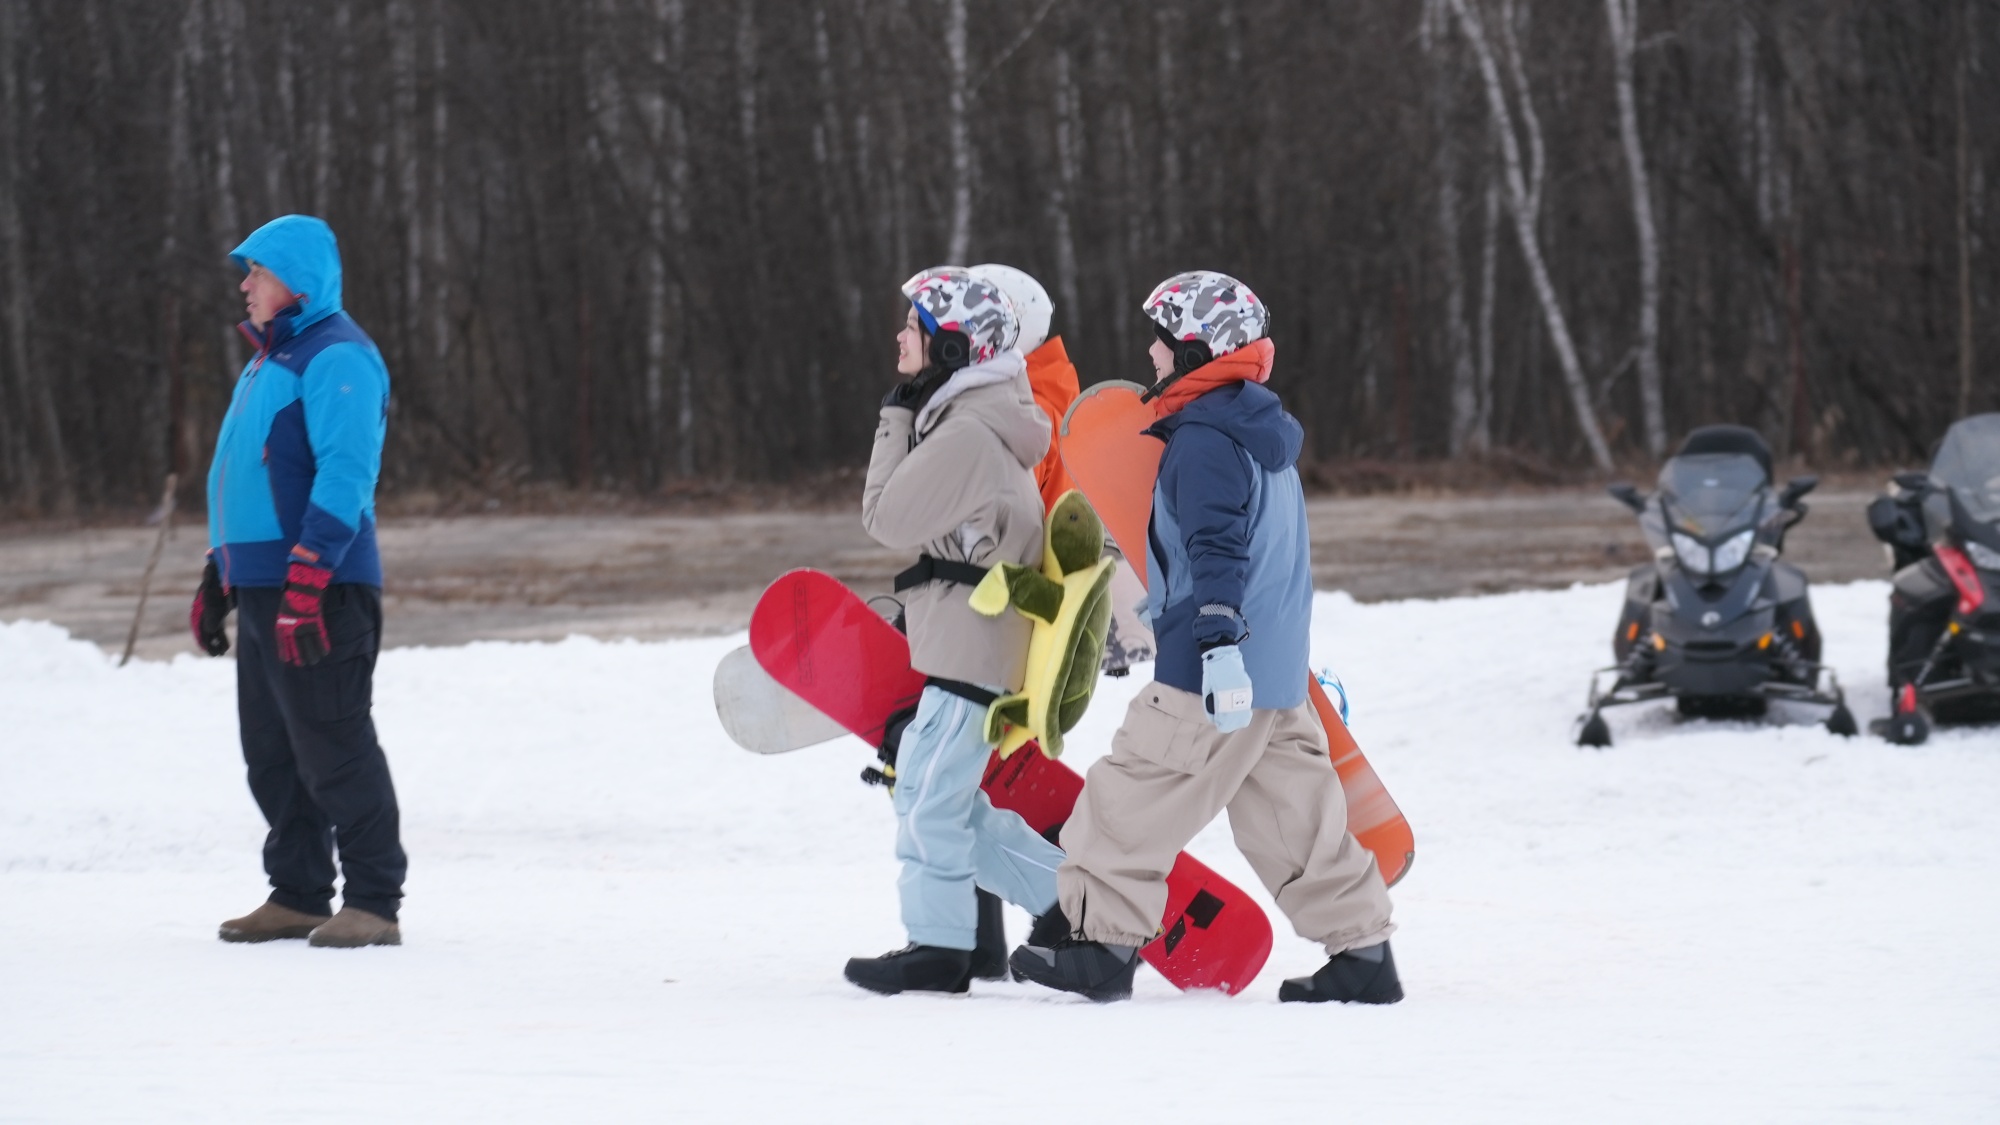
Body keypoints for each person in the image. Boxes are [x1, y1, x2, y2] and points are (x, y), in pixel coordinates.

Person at [1010, 271, 1401, 1003]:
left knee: (1128, 795)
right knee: (1292, 819)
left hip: (1212, 668)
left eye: (1163, 339)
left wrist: (1216, 641)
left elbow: (1218, 548)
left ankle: (1101, 947)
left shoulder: (1204, 439)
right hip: (1276, 675)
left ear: (1197, 347)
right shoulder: (1261, 433)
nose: (1152, 354)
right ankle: (1364, 953)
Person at [844, 266, 1068, 995]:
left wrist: (896, 412)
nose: (899, 336)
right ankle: (1067, 902)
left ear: (951, 350)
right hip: (967, 641)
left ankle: (939, 949)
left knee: (933, 800)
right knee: (941, 798)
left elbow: (885, 518)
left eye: (913, 327)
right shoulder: (971, 419)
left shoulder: (967, 432)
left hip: (975, 646)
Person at [190, 214, 407, 949]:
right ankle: (299, 891)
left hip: (321, 586)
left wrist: (310, 575)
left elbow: (347, 473)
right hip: (262, 584)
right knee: (274, 749)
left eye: (257, 270)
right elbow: (249, 480)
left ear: (296, 281)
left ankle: (375, 900)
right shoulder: (269, 362)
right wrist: (219, 573)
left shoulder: (338, 356)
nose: (245, 284)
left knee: (333, 742)